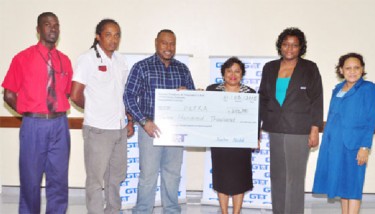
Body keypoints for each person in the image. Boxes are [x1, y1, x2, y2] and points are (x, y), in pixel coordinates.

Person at [1, 12, 73, 214]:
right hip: (34, 126)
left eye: (56, 25)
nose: (53, 28)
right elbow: (8, 94)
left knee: (59, 182)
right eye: (48, 24)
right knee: (30, 181)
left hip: (60, 125)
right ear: (38, 30)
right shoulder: (23, 58)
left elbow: (66, 92)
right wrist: (30, 112)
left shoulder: (64, 61)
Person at [123, 29, 195, 213]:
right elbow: (129, 96)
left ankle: (171, 210)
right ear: (156, 43)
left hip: (175, 132)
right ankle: (142, 211)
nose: (168, 47)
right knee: (148, 175)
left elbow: (194, 98)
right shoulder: (142, 67)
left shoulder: (182, 68)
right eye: (164, 43)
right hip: (150, 129)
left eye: (172, 43)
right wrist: (143, 121)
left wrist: (188, 94)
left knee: (172, 175)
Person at [70, 19, 134, 213]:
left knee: (116, 177)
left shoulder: (121, 60)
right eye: (108, 34)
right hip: (97, 130)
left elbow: (124, 95)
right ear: (98, 36)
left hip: (119, 129)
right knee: (96, 180)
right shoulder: (87, 59)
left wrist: (129, 119)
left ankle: (113, 210)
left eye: (117, 35)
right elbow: (75, 94)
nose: (113, 39)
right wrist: (94, 110)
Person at [258, 27, 323, 214]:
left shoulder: (310, 68)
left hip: (299, 130)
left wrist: (314, 129)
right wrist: (255, 131)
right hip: (275, 128)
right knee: (277, 176)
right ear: (280, 46)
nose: (290, 49)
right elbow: (263, 99)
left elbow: (317, 99)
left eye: (295, 45)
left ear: (301, 47)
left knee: (294, 178)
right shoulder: (269, 67)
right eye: (286, 44)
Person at [313, 53, 375, 214]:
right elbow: (332, 116)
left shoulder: (368, 88)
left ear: (362, 69)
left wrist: (365, 146)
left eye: (356, 68)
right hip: (334, 144)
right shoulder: (337, 88)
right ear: (341, 70)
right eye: (348, 68)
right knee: (342, 185)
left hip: (354, 145)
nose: (352, 71)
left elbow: (370, 119)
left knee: (353, 185)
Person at [206, 57, 254, 214]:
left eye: (237, 71)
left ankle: (236, 212)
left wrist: (256, 137)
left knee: (240, 179)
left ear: (242, 74)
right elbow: (203, 110)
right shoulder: (212, 90)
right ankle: (224, 212)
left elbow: (256, 118)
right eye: (229, 71)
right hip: (220, 143)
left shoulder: (250, 93)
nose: (233, 75)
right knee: (222, 179)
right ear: (223, 73)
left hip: (242, 143)